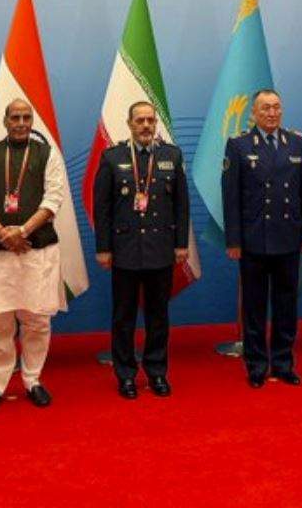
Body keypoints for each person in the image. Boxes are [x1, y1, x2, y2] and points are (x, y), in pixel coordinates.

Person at [0, 99, 66, 412]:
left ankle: (33, 380)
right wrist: (4, 234)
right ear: (5, 121)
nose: (21, 123)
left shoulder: (47, 154)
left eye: (26, 117)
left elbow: (54, 199)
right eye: (15, 117)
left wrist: (22, 231)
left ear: (32, 121)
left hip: (37, 249)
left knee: (37, 320)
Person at [93, 101, 190, 400]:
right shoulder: (112, 157)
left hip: (160, 249)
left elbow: (181, 205)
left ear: (155, 123)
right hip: (125, 250)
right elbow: (102, 207)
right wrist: (104, 248)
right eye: (140, 121)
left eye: (150, 120)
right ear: (130, 124)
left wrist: (181, 244)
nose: (146, 126)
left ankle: (157, 372)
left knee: (158, 316)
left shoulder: (171, 156)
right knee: (123, 317)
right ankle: (125, 375)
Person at [222, 89, 302, 388]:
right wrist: (234, 240)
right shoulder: (238, 145)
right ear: (254, 113)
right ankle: (256, 365)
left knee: (286, 305)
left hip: (288, 237)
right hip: (253, 239)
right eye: (265, 108)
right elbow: (231, 197)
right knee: (254, 307)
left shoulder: (297, 143)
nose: (272, 113)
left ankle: (283, 363)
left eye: (276, 107)